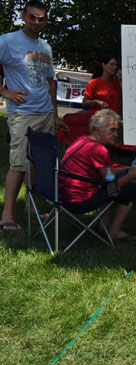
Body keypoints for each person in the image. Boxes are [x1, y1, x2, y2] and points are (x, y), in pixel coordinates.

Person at [0, 0, 69, 231]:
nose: (37, 22)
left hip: (45, 113)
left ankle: (30, 205)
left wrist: (55, 115)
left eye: (41, 18)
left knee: (37, 162)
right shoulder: (8, 41)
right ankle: (7, 215)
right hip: (22, 113)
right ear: (24, 16)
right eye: (32, 17)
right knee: (19, 163)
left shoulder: (46, 47)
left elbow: (51, 82)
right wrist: (4, 91)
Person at [59, 109, 136, 241]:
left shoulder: (82, 140)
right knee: (131, 189)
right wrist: (131, 176)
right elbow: (112, 185)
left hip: (62, 195)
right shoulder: (99, 150)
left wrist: (121, 169)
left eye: (117, 130)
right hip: (80, 202)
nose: (116, 134)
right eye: (112, 130)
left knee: (106, 184)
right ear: (97, 130)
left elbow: (102, 170)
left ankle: (105, 225)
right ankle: (115, 232)